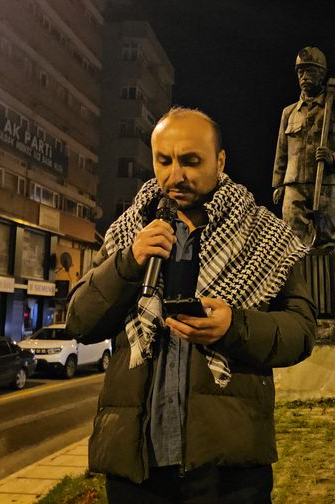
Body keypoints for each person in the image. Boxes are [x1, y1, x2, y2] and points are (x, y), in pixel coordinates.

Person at [66, 107, 317, 503]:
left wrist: (234, 326)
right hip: (137, 469)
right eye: (163, 161)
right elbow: (80, 321)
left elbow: (301, 333)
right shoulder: (129, 233)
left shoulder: (266, 236)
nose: (174, 175)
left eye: (190, 161)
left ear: (220, 160)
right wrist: (128, 263)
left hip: (227, 470)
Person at [272, 46, 335, 249]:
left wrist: (334, 157)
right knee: (292, 241)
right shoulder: (289, 112)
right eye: (300, 72)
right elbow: (282, 150)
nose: (304, 76)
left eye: (309, 71)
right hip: (294, 185)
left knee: (325, 240)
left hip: (325, 184)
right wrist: (278, 184)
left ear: (322, 73)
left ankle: (323, 281)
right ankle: (299, 281)